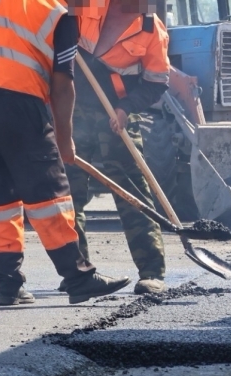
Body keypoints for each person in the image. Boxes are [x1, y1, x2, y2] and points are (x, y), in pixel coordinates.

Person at [0, 0, 132, 306]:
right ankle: (78, 277)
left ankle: (9, 285)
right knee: (49, 192)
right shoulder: (64, 16)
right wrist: (65, 140)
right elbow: (62, 85)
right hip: (20, 101)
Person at [62, 0, 170, 295]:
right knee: (68, 195)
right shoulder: (85, 6)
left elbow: (156, 82)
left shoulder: (152, 29)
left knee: (133, 193)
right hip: (71, 112)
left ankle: (152, 273)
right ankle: (77, 270)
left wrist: (126, 108)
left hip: (116, 117)